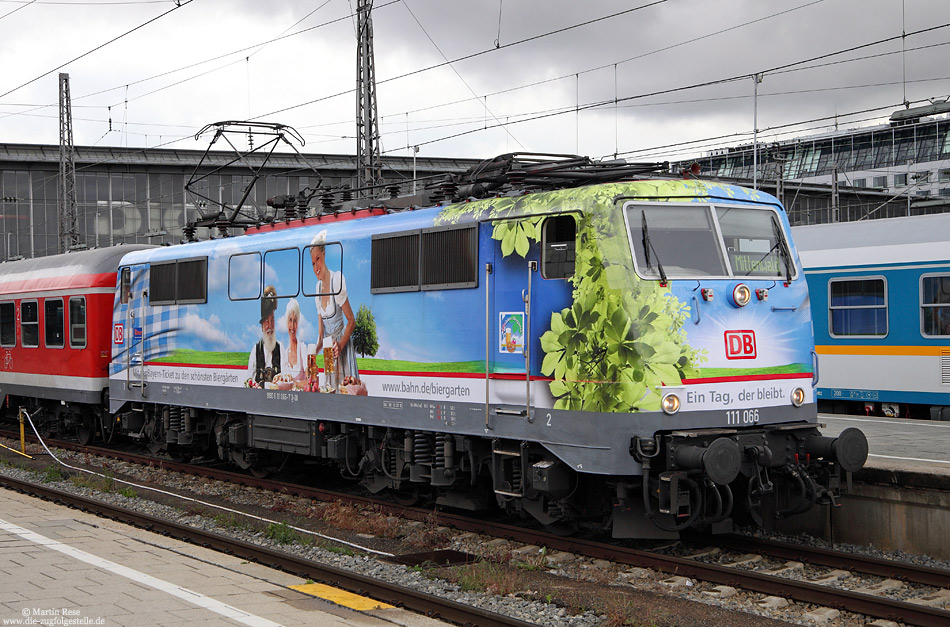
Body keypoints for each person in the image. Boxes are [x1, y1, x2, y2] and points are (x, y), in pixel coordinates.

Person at [309, 230, 358, 380]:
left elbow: (351, 321)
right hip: (328, 349)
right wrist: (312, 355)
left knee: (346, 388)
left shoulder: (336, 279)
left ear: (323, 254)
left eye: (318, 259)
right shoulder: (317, 289)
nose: (316, 266)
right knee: (331, 390)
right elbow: (321, 334)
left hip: (342, 345)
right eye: (312, 263)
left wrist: (341, 345)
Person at [247, 285, 283, 386]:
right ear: (262, 326)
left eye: (272, 320)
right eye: (267, 321)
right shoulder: (256, 349)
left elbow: (287, 377)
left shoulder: (281, 348)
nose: (270, 325)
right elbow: (248, 381)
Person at [280, 298, 308, 380]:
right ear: (286, 322)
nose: (292, 326)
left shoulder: (302, 348)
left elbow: (309, 381)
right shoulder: (284, 355)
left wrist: (294, 384)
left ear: (298, 323)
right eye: (290, 320)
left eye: (295, 321)